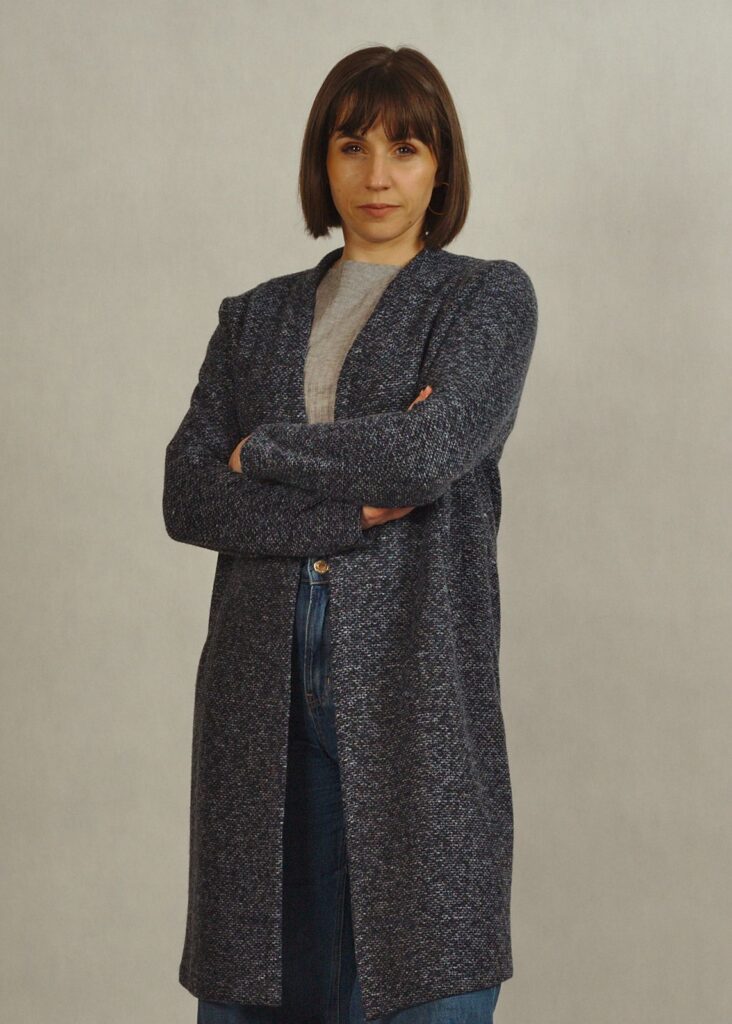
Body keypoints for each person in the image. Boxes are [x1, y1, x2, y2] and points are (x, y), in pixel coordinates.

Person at [164, 44, 538, 1024]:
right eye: (352, 145)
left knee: (424, 964)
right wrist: (340, 504)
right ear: (321, 162)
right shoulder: (253, 319)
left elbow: (426, 455)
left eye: (406, 149)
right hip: (260, 688)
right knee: (261, 966)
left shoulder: (483, 298)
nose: (377, 175)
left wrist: (262, 449)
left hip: (416, 685)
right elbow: (188, 495)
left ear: (440, 167)